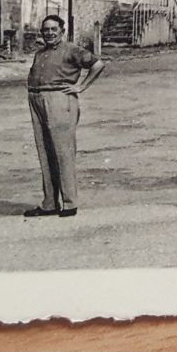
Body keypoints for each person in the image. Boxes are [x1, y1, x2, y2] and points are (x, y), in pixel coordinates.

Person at [25, 14, 107, 218]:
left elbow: (98, 64)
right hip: (37, 99)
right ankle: (49, 203)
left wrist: (81, 86)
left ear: (62, 31)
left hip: (60, 100)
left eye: (54, 29)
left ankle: (70, 203)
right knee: (45, 152)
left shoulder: (71, 50)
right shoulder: (40, 53)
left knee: (63, 152)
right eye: (46, 30)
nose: (50, 33)